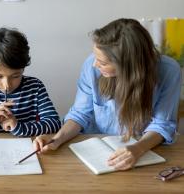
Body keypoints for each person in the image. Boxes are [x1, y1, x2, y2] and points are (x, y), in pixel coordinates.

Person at [34, 18, 181, 170]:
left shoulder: (169, 71)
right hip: (94, 150)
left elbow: (162, 124)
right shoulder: (92, 66)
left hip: (144, 149)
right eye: (96, 58)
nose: (95, 65)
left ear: (128, 65)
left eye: (103, 63)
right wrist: (57, 139)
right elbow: (80, 114)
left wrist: (138, 149)